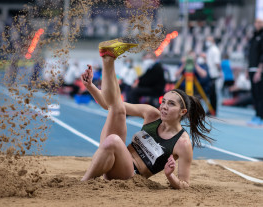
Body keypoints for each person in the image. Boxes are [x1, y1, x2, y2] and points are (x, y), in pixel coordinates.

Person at [80, 38, 213, 189]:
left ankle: (83, 183)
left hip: (129, 176)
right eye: (163, 101)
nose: (163, 107)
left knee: (113, 140)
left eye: (171, 104)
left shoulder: (182, 143)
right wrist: (90, 87)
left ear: (182, 112)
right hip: (110, 158)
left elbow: (185, 185)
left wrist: (170, 176)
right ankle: (108, 59)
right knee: (118, 109)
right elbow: (109, 105)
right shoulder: (152, 114)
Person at [246, 18, 263, 126]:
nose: (257, 24)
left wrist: (259, 71)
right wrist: (247, 70)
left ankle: (260, 116)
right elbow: (250, 55)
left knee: (260, 94)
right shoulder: (253, 37)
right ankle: (257, 114)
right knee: (254, 95)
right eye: (256, 22)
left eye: (259, 22)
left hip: (259, 70)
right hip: (252, 68)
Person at [205, 36, 221, 116]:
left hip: (214, 74)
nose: (207, 42)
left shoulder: (215, 50)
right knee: (210, 93)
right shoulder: (210, 50)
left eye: (209, 40)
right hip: (210, 73)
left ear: (213, 41)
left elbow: (217, 63)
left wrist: (220, 71)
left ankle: (213, 110)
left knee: (213, 94)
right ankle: (211, 109)